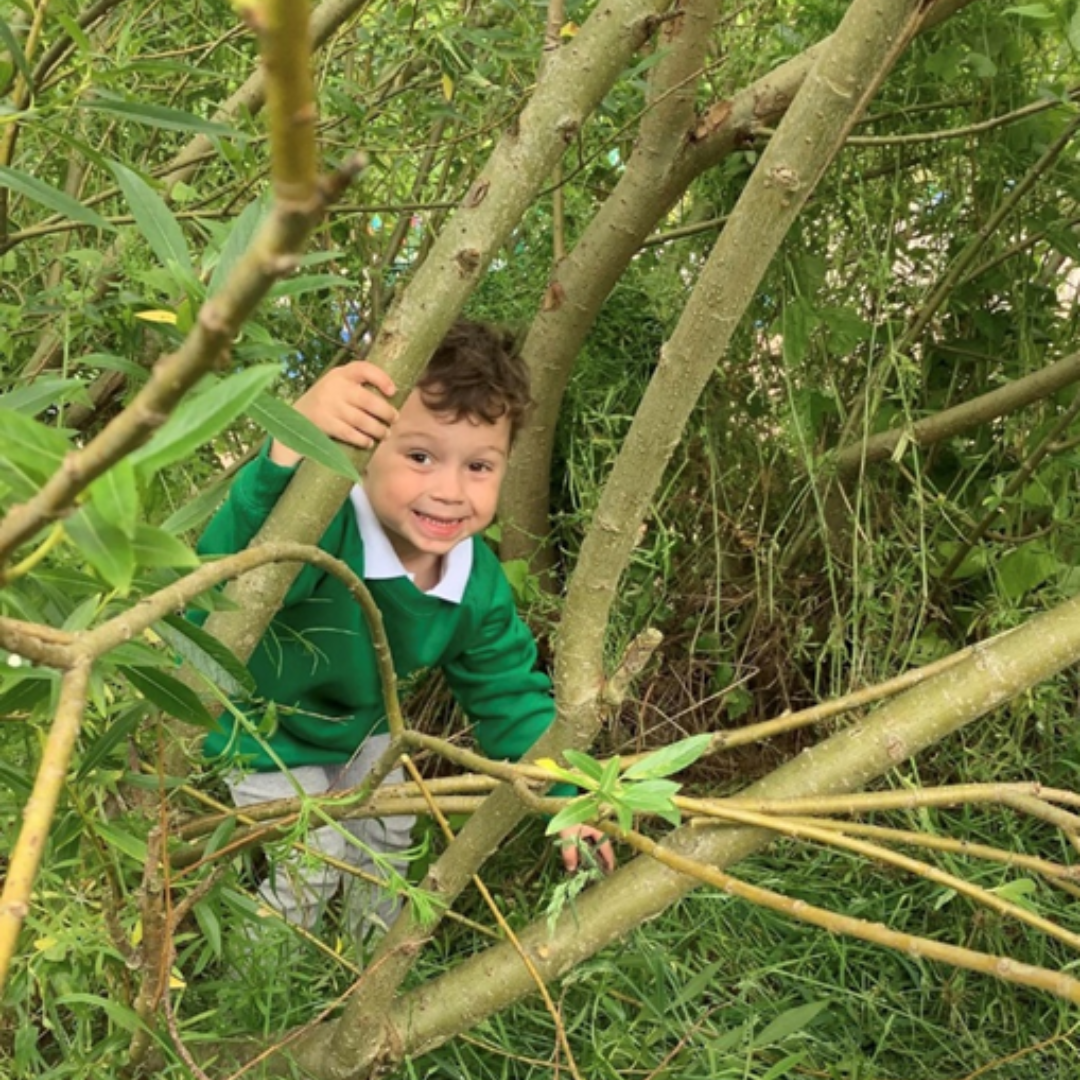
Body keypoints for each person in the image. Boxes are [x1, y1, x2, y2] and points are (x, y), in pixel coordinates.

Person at [198, 321, 614, 939]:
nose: (449, 491)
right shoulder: (322, 522)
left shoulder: (475, 584)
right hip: (260, 727)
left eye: (479, 466)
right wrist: (292, 441)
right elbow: (229, 576)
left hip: (361, 731)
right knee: (311, 862)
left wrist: (568, 795)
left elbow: (509, 696)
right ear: (364, 451)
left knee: (388, 838)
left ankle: (367, 967)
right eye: (420, 457)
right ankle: (262, 983)